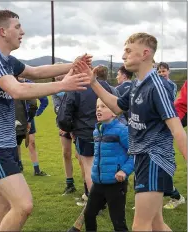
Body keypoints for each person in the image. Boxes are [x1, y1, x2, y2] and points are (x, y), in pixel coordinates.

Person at [0, 9, 91, 231]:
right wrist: (63, 84)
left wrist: (72, 65)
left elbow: (36, 71)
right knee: (23, 205)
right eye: (17, 27)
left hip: (4, 145)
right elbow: (17, 89)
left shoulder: (7, 60)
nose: (22, 32)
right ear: (2, 31)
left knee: (0, 209)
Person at [75, 32, 187, 231]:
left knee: (140, 226)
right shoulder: (136, 84)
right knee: (156, 224)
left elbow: (177, 129)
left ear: (145, 53)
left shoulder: (157, 86)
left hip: (155, 158)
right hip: (142, 158)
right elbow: (116, 106)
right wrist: (93, 83)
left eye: (128, 50)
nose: (123, 56)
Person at [57, 67, 118, 206]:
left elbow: (65, 112)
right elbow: (118, 105)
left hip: (85, 132)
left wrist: (69, 128)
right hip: (107, 130)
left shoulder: (76, 86)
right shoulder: (107, 86)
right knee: (105, 164)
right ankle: (108, 198)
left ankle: (95, 201)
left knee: (89, 166)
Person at [84, 98, 134, 232]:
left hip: (115, 185)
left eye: (103, 106)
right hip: (98, 183)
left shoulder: (122, 131)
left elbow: (136, 154)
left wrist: (124, 171)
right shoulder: (96, 131)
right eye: (97, 107)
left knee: (118, 222)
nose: (98, 109)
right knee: (88, 215)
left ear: (114, 112)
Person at [156, 62, 185, 209]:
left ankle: (175, 195)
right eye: (159, 72)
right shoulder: (154, 84)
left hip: (165, 127)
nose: (161, 74)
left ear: (169, 71)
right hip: (155, 128)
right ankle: (147, 198)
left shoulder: (171, 86)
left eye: (163, 71)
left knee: (162, 163)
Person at [52, 74, 77, 195]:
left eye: (60, 76)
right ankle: (69, 183)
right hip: (63, 124)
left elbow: (77, 108)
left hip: (77, 126)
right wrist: (65, 126)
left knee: (80, 156)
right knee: (66, 153)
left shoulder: (74, 87)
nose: (57, 78)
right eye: (56, 77)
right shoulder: (55, 90)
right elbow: (57, 109)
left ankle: (88, 187)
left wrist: (70, 127)